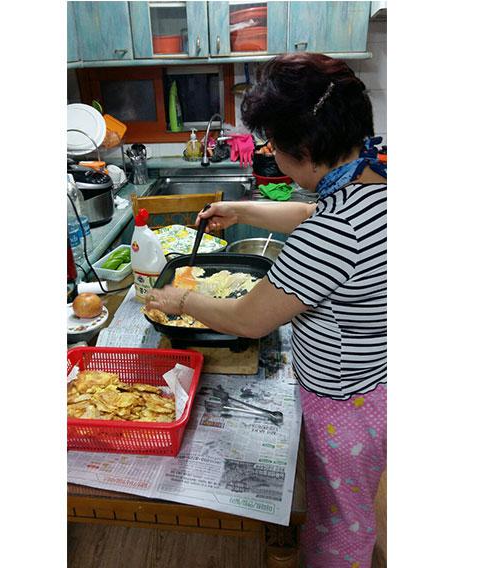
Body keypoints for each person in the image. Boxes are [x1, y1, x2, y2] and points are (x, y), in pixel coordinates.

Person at [146, 52, 386, 568]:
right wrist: (243, 208)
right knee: (348, 505)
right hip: (375, 377)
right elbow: (308, 210)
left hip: (344, 400)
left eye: (273, 145)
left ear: (303, 149)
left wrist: (178, 298)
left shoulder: (333, 235)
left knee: (339, 520)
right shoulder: (371, 186)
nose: (270, 154)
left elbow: (248, 320)